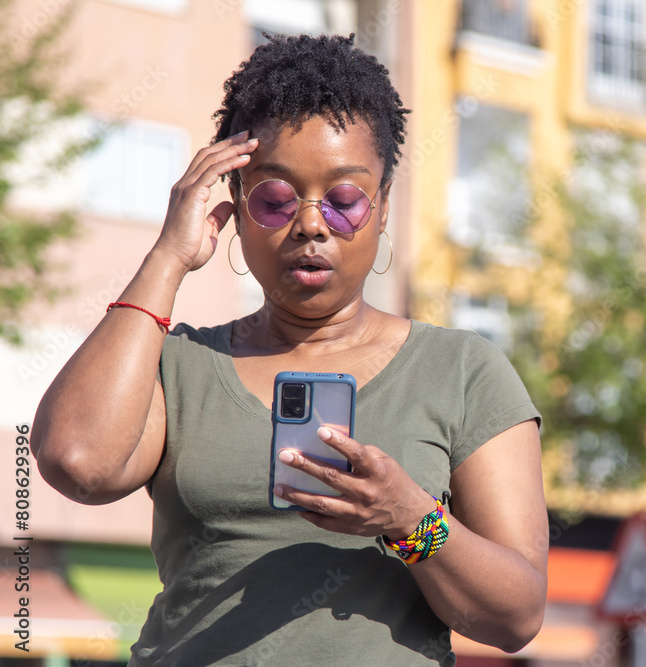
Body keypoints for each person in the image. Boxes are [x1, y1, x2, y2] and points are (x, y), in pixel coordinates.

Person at [30, 34, 548, 666]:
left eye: (344, 199)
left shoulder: (464, 371)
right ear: (237, 211)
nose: (310, 223)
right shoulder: (178, 366)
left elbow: (516, 617)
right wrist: (167, 256)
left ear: (383, 207)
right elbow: (76, 460)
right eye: (275, 199)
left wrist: (412, 519)